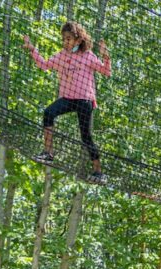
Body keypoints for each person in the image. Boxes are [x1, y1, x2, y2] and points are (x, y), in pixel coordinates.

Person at [22, 21, 111, 184]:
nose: (65, 42)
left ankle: (98, 172)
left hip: (85, 100)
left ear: (78, 40)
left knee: (85, 136)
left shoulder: (88, 56)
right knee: (48, 112)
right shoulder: (62, 55)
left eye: (69, 39)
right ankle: (48, 153)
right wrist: (32, 49)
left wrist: (106, 56)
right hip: (68, 98)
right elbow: (44, 65)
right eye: (63, 39)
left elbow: (106, 72)